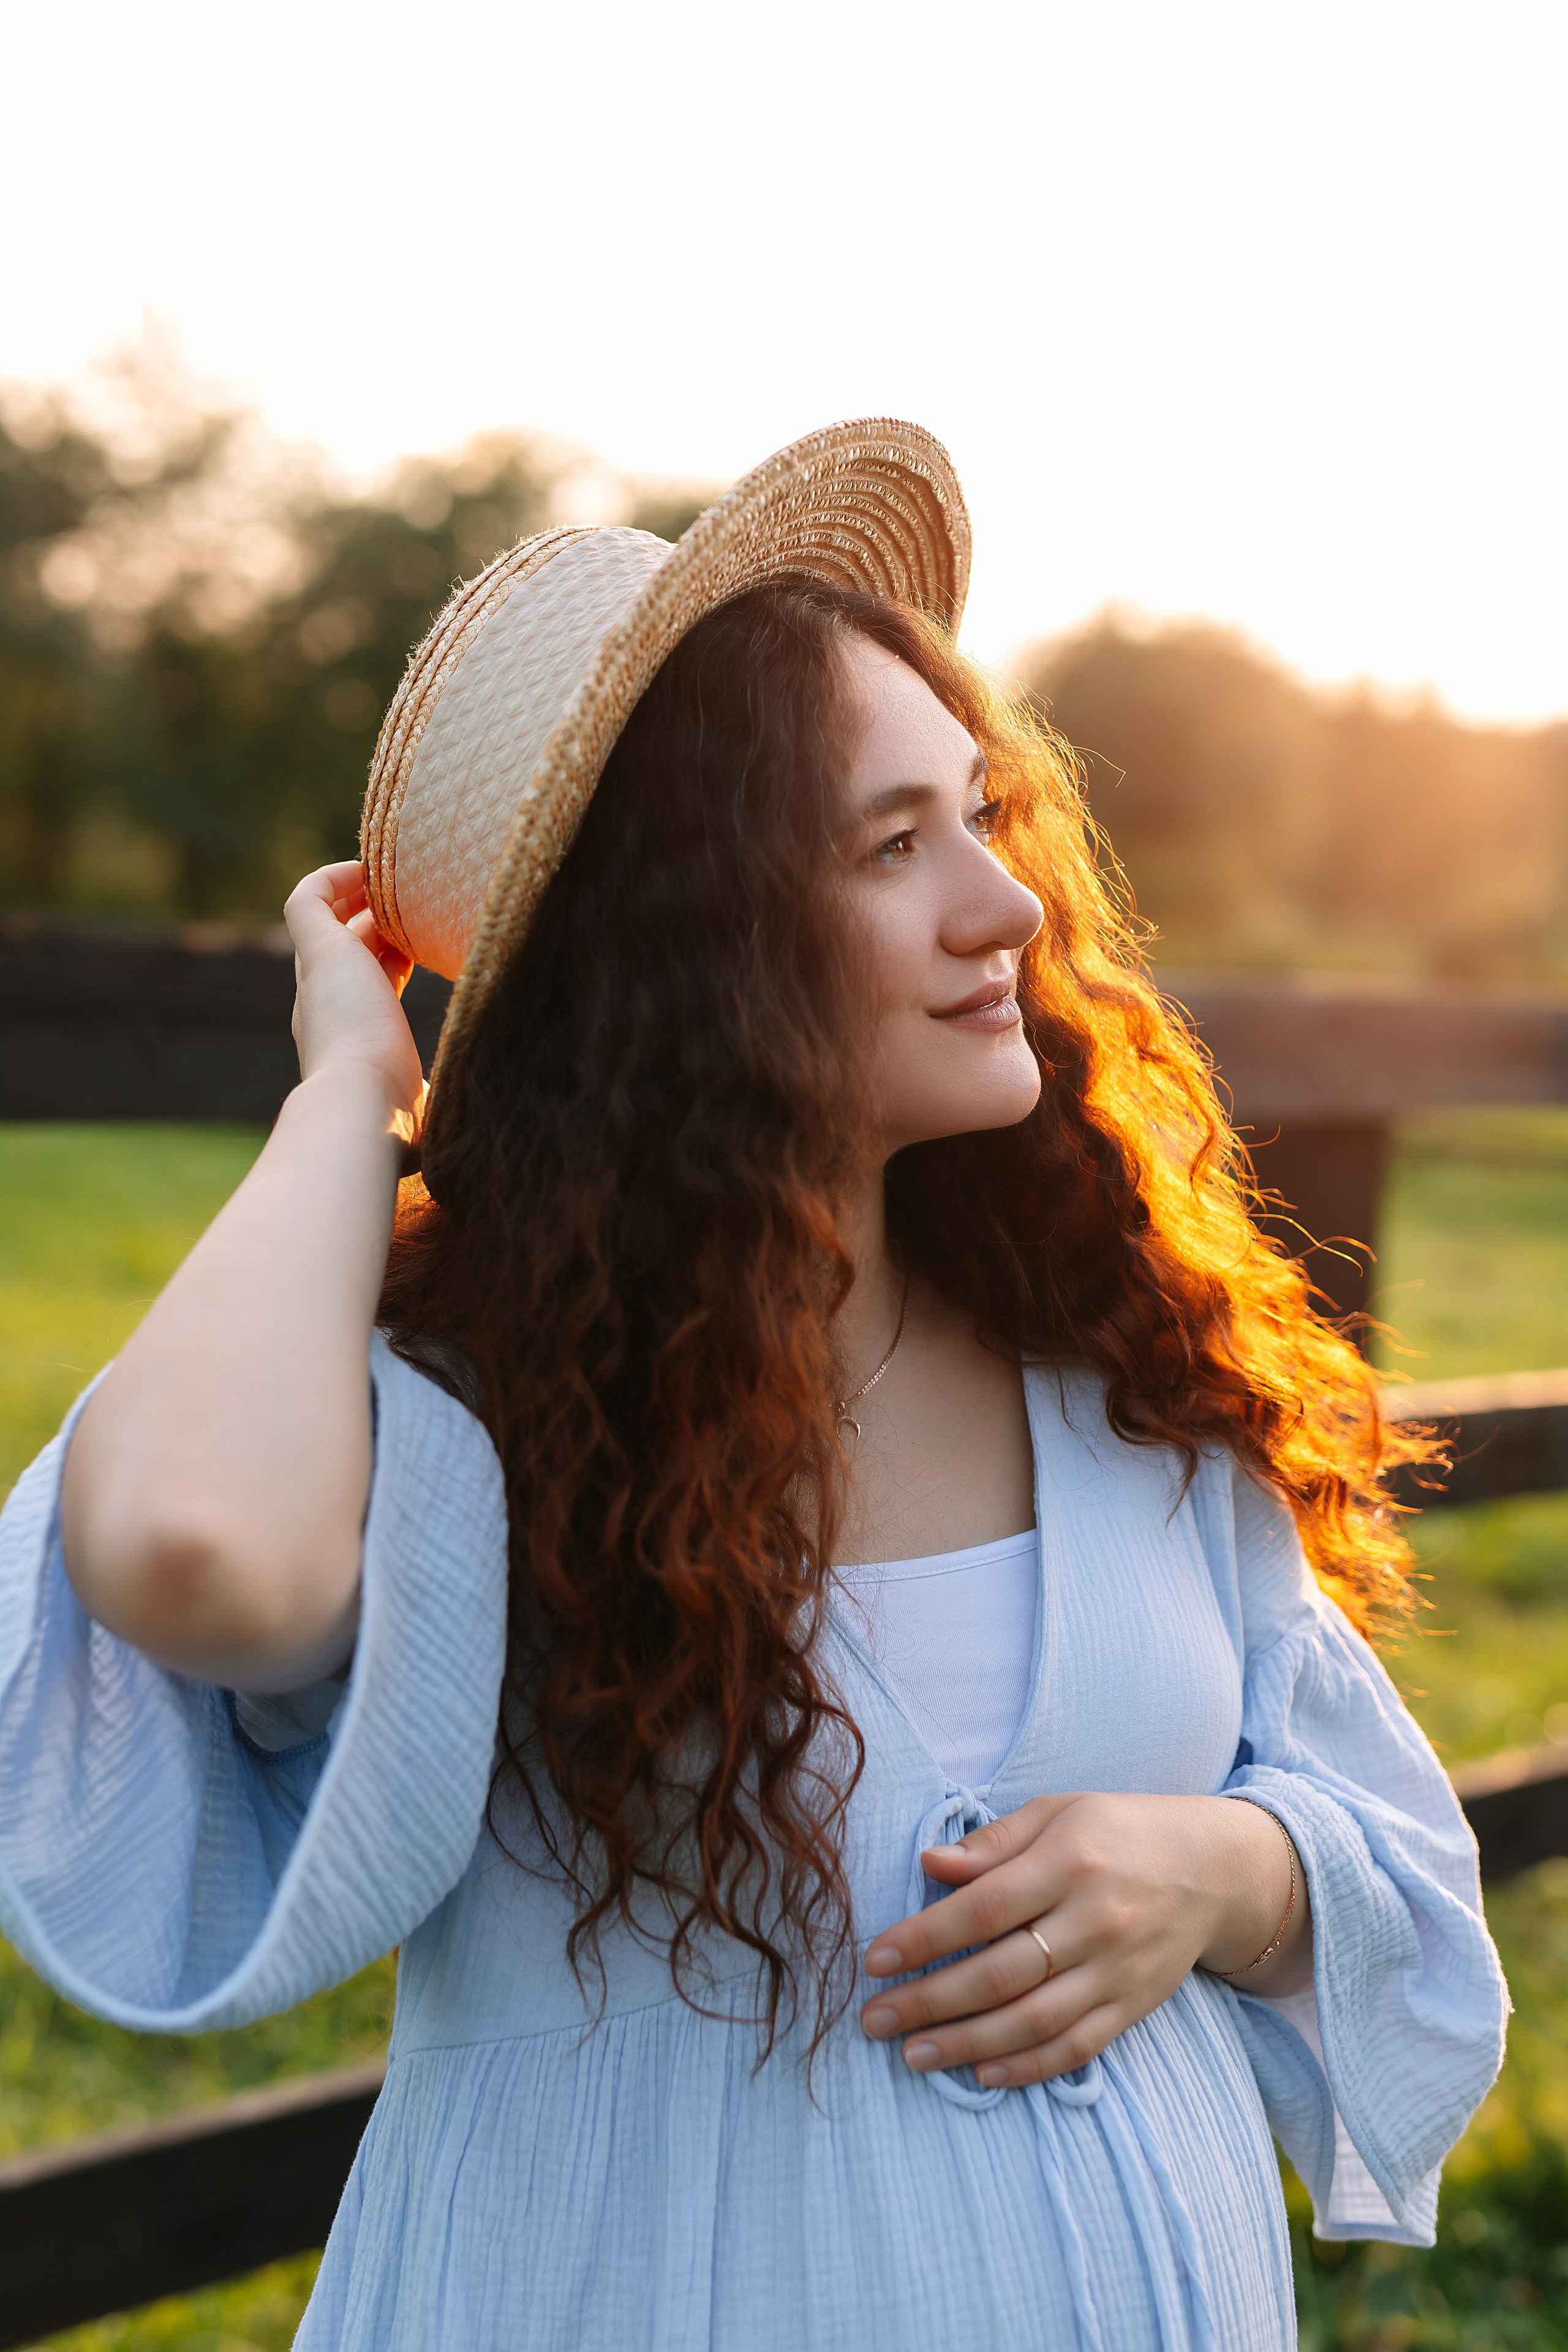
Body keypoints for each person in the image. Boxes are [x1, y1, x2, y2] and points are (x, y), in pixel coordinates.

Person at [0, 422, 1506, 2351]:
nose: (1011, 907)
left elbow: (1392, 1869)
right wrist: (338, 1103)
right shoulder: (469, 1423)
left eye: (982, 814)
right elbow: (191, 1551)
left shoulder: (1121, 1378)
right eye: (893, 846)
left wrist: (1228, 1871)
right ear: (687, 952)